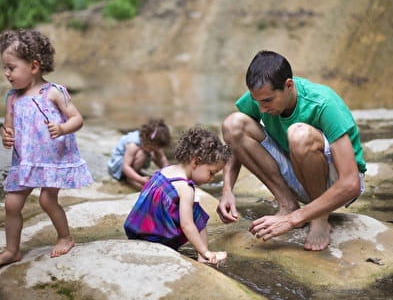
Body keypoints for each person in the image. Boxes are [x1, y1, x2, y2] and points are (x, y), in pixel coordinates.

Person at [217, 50, 367, 251]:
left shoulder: (324, 103)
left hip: (336, 182)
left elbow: (351, 184)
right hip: (298, 171)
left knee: (299, 134)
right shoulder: (261, 96)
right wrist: (227, 190)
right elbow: (235, 143)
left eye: (268, 101)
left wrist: (292, 221)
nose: (261, 109)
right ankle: (287, 204)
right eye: (257, 101)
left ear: (289, 85)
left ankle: (319, 217)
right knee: (232, 123)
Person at [0, 29, 93, 267]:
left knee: (47, 200)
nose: (7, 74)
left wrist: (62, 129)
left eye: (11, 67)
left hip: (51, 159)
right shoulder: (11, 97)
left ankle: (65, 237)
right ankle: (12, 250)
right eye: (5, 68)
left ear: (33, 66)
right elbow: (9, 127)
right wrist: (6, 137)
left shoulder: (52, 92)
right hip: (24, 161)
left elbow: (77, 119)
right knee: (12, 204)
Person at [124, 127, 231, 264]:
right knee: (197, 215)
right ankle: (203, 255)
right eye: (211, 172)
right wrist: (205, 251)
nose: (211, 179)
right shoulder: (185, 188)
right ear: (195, 162)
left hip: (137, 231)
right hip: (158, 238)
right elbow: (187, 225)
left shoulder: (165, 171)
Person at [107, 119, 171, 189]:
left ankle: (134, 174)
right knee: (142, 154)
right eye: (151, 148)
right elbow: (125, 166)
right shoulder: (133, 145)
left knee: (156, 153)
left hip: (131, 162)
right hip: (119, 165)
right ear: (144, 139)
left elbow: (162, 158)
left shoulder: (149, 142)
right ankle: (131, 178)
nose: (153, 150)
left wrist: (168, 171)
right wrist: (140, 179)